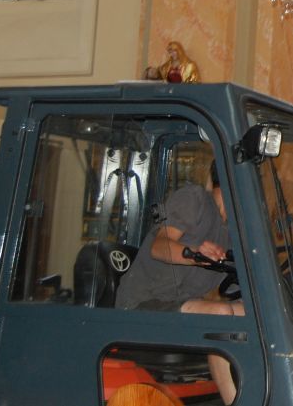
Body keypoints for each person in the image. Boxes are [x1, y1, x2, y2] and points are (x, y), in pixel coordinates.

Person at [116, 161, 241, 404]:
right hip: (141, 305)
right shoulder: (194, 199)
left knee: (247, 314)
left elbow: (237, 288)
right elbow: (159, 246)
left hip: (179, 308)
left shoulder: (232, 232)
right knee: (221, 316)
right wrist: (194, 253)